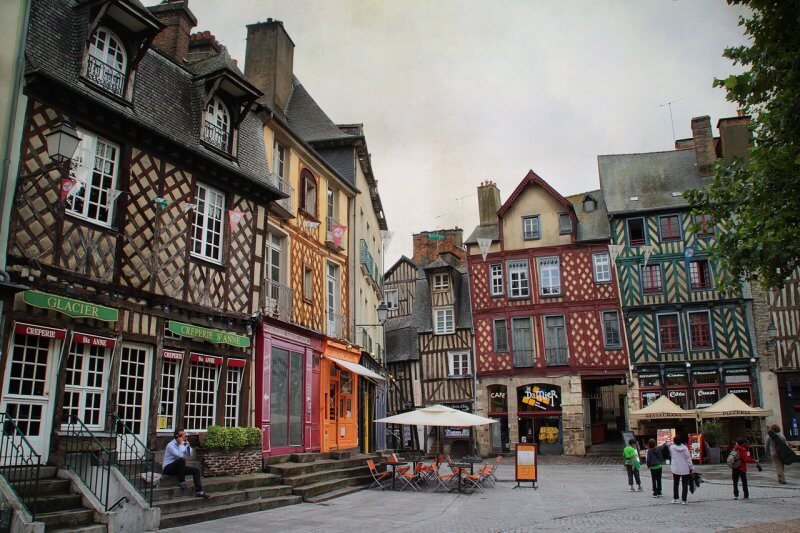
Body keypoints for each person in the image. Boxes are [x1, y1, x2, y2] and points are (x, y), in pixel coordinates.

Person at [163, 429, 209, 498]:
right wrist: (181, 444)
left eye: (185, 435)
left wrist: (188, 446)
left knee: (196, 470)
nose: (184, 436)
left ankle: (199, 492)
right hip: (168, 468)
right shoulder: (170, 445)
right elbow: (179, 455)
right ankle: (182, 481)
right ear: (177, 437)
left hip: (179, 469)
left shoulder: (183, 444)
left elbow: (189, 455)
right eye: (182, 435)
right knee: (181, 460)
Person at [669, 435, 692, 505]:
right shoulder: (685, 448)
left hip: (675, 468)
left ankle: (676, 498)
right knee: (685, 484)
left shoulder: (672, 447)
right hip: (685, 468)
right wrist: (691, 467)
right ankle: (684, 500)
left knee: (676, 483)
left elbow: (671, 455)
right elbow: (688, 458)